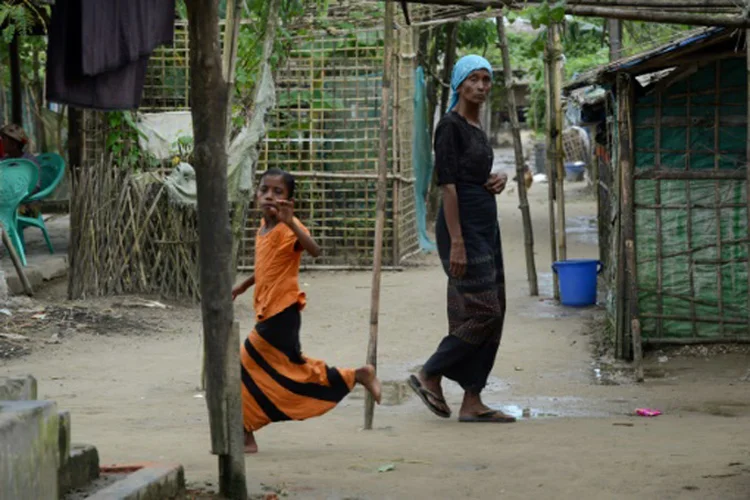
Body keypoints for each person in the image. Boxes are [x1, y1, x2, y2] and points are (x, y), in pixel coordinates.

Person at [232, 168, 382, 454]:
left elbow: (314, 250)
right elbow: (265, 267)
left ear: (289, 200)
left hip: (283, 312)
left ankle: (245, 434)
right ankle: (357, 375)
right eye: (265, 190)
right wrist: (243, 286)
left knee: (243, 365)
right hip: (268, 312)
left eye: (278, 192)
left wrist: (291, 224)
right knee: (289, 369)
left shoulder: (289, 227)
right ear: (256, 193)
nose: (269, 196)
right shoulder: (261, 230)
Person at [408, 55, 516, 423]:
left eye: (487, 80)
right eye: (475, 79)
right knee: (485, 309)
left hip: (486, 228)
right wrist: (456, 241)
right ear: (459, 83)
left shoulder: (476, 126)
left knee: (491, 310)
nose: (482, 86)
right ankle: (430, 372)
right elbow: (449, 187)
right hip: (462, 229)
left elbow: (473, 177)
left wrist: (496, 179)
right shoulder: (449, 126)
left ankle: (473, 400)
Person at [1, 123, 41, 193]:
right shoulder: (3, 161)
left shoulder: (29, 162)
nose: (1, 142)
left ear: (14, 144)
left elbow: (36, 186)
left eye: (4, 139)